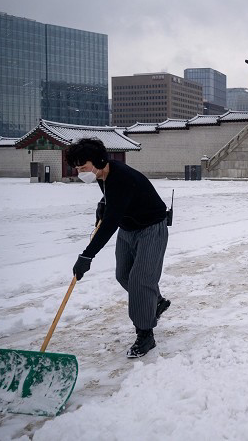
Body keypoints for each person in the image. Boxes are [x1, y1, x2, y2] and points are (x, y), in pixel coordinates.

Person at [67, 138, 170, 358]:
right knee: (123, 275)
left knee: (141, 279)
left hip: (151, 227)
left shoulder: (121, 177)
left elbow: (110, 224)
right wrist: (104, 204)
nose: (79, 172)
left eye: (82, 167)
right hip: (128, 227)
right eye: (76, 168)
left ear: (97, 161)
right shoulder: (102, 173)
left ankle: (145, 335)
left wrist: (87, 255)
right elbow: (114, 200)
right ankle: (157, 302)